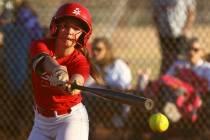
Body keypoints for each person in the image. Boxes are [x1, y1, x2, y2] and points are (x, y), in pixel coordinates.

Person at [28, 2, 103, 140]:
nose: (69, 32)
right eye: (65, 26)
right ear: (55, 27)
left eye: (76, 29)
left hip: (70, 120)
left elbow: (77, 81)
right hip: (41, 123)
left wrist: (70, 86)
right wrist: (58, 71)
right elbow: (43, 60)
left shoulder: (80, 61)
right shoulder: (39, 44)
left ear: (83, 35)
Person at [85, 37, 132, 139]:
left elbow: (124, 86)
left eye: (99, 49)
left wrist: (104, 84)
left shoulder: (118, 64)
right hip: (97, 100)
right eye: (93, 49)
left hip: (115, 100)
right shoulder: (94, 66)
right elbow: (85, 87)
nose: (95, 52)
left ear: (107, 50)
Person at [152, 0, 196, 75]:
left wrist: (186, 29)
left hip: (180, 33)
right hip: (164, 33)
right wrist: (158, 28)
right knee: (166, 59)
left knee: (181, 59)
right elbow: (155, 14)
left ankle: (181, 79)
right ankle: (164, 81)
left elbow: (191, 12)